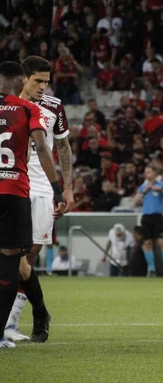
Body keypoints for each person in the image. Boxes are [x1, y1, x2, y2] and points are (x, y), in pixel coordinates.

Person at [5, 56, 73, 344]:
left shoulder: (54, 107)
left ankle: (12, 322)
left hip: (44, 187)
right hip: (12, 183)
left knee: (28, 256)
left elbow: (63, 148)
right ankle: (39, 311)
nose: (44, 87)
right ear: (23, 78)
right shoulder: (7, 105)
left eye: (47, 81)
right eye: (38, 81)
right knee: (15, 259)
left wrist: (67, 188)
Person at [133, 166, 163, 277]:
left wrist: (161, 189)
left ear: (154, 173)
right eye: (145, 172)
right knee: (147, 243)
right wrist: (143, 192)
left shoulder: (161, 184)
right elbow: (135, 201)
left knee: (162, 242)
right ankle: (152, 270)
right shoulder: (143, 187)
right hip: (146, 217)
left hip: (157, 217)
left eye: (148, 172)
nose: (146, 174)